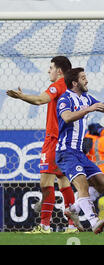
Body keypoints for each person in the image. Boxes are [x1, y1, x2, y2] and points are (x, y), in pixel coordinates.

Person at [6, 56, 79, 234]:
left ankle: (45, 225)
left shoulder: (59, 85)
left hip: (54, 140)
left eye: (51, 67)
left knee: (46, 183)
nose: (49, 71)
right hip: (65, 140)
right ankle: (72, 226)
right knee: (63, 181)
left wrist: (22, 96)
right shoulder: (71, 88)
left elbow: (40, 100)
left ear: (60, 71)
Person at [56, 67, 104, 234]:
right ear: (74, 83)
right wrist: (88, 109)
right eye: (83, 78)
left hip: (79, 154)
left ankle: (73, 209)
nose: (86, 80)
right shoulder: (65, 99)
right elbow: (66, 117)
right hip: (66, 152)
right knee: (82, 185)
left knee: (103, 183)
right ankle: (94, 222)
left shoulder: (86, 97)